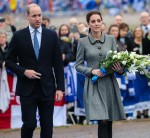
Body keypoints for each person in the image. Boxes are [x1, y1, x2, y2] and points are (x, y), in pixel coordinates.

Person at [5, 3, 64, 138]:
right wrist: (24, 71)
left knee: (47, 126)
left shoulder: (52, 35)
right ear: (27, 17)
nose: (38, 18)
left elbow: (58, 63)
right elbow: (8, 61)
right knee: (29, 124)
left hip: (47, 88)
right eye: (34, 16)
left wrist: (60, 88)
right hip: (27, 89)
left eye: (39, 15)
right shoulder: (19, 36)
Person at [75, 10, 126, 138]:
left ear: (102, 22)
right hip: (94, 84)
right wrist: (91, 71)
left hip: (109, 83)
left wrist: (120, 70)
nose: (96, 23)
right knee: (101, 119)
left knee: (109, 120)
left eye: (98, 20)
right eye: (93, 21)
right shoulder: (83, 42)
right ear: (89, 24)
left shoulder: (110, 39)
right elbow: (78, 65)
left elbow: (116, 60)